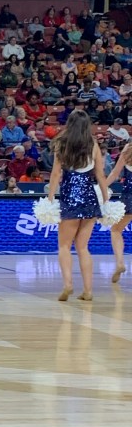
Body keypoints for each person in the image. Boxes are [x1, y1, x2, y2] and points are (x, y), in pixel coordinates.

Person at [48, 109, 108, 302]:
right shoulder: (93, 144)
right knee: (83, 247)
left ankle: (68, 285)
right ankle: (88, 291)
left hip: (69, 196)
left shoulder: (62, 143)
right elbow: (100, 174)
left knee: (64, 245)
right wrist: (106, 199)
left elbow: (57, 174)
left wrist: (49, 199)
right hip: (90, 197)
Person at [106, 142, 132, 284]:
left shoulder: (128, 149)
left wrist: (101, 187)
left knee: (116, 230)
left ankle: (120, 262)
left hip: (129, 197)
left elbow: (115, 173)